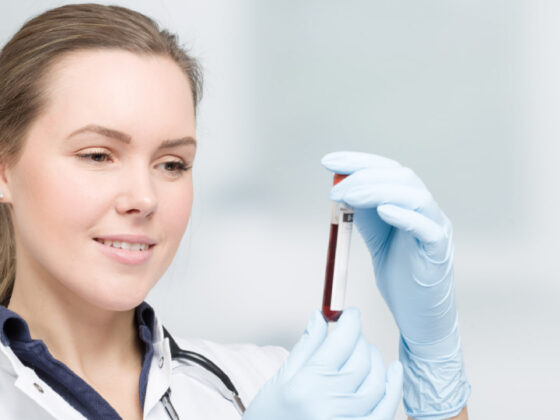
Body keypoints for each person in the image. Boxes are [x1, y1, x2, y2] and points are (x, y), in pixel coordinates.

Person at [0, 4, 470, 420]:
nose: (144, 198)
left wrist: (434, 366)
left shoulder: (264, 384)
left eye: (172, 164)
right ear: (4, 170)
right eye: (98, 155)